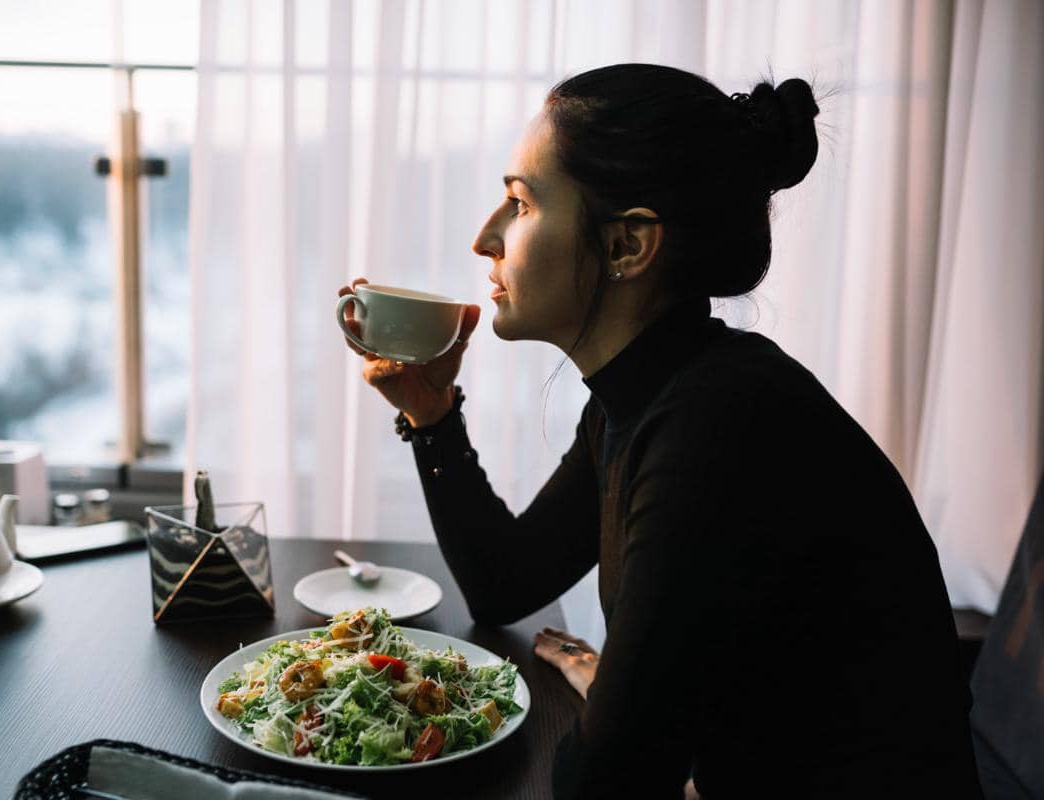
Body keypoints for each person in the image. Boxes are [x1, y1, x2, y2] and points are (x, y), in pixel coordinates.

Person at [338, 63, 982, 799]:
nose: (487, 237)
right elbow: (506, 582)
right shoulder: (658, 393)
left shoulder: (716, 429)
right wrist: (432, 414)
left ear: (627, 247)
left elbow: (603, 783)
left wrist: (620, 714)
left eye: (519, 203)